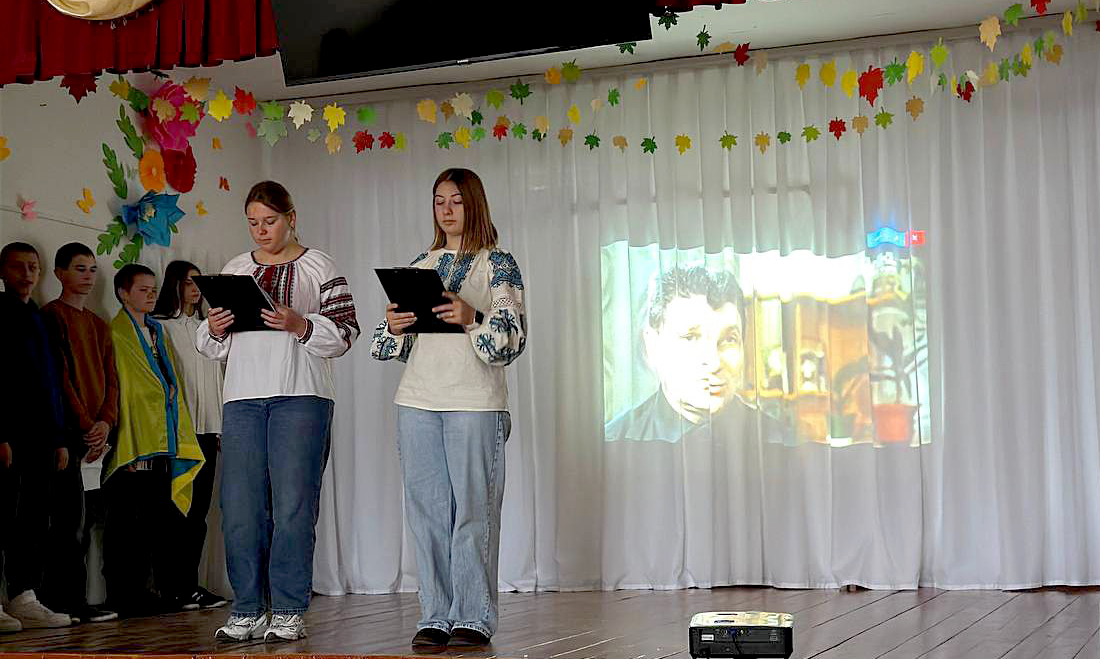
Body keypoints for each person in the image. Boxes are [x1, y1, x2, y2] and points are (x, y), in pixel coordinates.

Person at [370, 168, 527, 649]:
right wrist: (393, 326)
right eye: (439, 200)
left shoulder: (498, 264)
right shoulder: (420, 264)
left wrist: (471, 316)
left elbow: (511, 340)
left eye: (456, 200)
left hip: (475, 403)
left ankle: (473, 617)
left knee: (474, 511)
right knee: (427, 515)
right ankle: (436, 615)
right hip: (417, 401)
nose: (446, 209)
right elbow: (383, 348)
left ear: (474, 203)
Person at [196, 181, 359, 642]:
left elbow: (346, 332)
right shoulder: (235, 268)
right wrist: (214, 327)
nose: (261, 230)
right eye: (253, 223)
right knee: (239, 506)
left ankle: (288, 609)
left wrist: (300, 323)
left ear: (291, 218)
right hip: (242, 398)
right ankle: (247, 609)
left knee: (293, 506)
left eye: (270, 221)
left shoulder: (319, 265)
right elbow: (210, 345)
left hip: (302, 396)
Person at [101, 264, 205, 617]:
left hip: (163, 439)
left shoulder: (157, 331)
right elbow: (125, 389)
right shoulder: (117, 332)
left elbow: (167, 382)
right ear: (123, 293)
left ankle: (149, 589)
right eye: (142, 289)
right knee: (125, 524)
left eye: (153, 289)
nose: (150, 295)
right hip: (133, 441)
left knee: (154, 522)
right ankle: (122, 593)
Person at [604, 266, 784, 444]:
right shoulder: (613, 444)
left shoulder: (781, 443)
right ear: (652, 345)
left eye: (729, 340)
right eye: (690, 338)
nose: (714, 363)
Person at [39, 243, 118, 624]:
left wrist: (106, 422)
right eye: (79, 268)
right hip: (69, 435)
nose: (88, 276)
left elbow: (111, 379)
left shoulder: (99, 324)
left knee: (85, 522)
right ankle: (62, 599)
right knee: (65, 522)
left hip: (96, 438)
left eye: (92, 269)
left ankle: (79, 598)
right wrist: (87, 425)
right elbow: (61, 378)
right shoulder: (51, 316)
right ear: (59, 273)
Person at [0, 243, 73, 632]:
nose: (26, 274)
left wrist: (59, 438)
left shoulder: (40, 317)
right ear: (2, 271)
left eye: (33, 267)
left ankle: (23, 595)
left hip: (43, 438)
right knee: (3, 515)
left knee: (33, 518)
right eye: (18, 267)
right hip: (10, 437)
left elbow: (52, 382)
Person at [151, 261, 228, 611]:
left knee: (198, 515)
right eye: (188, 283)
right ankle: (170, 587)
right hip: (179, 432)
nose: (195, 289)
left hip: (208, 429)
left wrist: (221, 425)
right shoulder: (161, 327)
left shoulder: (207, 328)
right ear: (175, 285)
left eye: (198, 283)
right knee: (173, 513)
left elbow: (218, 379)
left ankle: (190, 585)